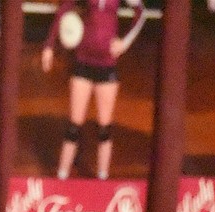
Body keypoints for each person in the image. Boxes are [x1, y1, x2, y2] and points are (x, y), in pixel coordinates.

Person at [41, 0, 146, 180]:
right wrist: (49, 45)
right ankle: (62, 175)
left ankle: (102, 178)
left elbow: (140, 12)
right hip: (83, 62)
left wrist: (125, 43)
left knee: (104, 128)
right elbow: (64, 9)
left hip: (107, 65)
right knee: (74, 125)